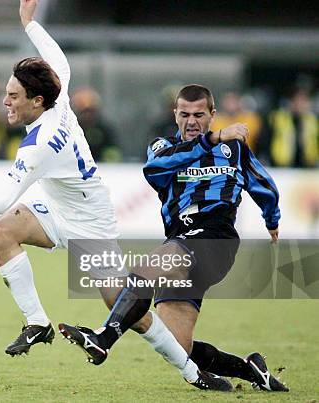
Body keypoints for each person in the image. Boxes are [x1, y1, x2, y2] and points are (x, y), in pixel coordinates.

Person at [0, 1, 233, 391]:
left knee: (126, 307)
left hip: (90, 224)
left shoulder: (40, 144)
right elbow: (60, 62)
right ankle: (37, 323)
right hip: (56, 208)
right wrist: (30, 25)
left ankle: (193, 373)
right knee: (2, 232)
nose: (5, 102)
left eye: (13, 96)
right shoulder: (57, 99)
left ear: (36, 101)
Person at [59, 84, 289, 392]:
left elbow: (263, 184)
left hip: (215, 239)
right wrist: (213, 138)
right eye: (185, 114)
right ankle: (252, 371)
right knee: (177, 344)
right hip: (181, 239)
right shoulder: (162, 147)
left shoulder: (233, 149)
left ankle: (104, 338)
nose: (191, 121)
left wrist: (271, 218)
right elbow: (156, 168)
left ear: (212, 114)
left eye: (199, 115)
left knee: (146, 268)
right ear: (175, 115)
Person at [262, 88, 317, 168]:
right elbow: (266, 139)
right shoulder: (278, 118)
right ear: (291, 102)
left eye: (303, 101)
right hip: (282, 165)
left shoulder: (312, 120)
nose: (300, 104)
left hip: (307, 165)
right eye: (297, 101)